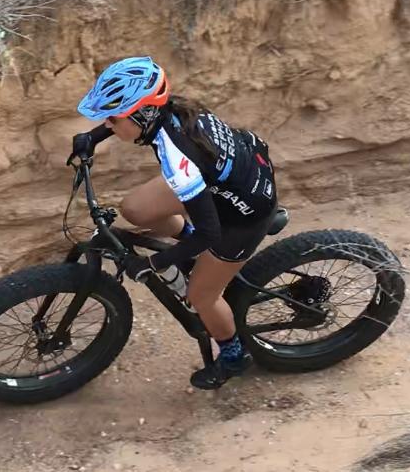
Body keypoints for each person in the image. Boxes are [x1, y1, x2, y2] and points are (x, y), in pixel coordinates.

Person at [70, 56, 279, 389]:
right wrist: (93, 138)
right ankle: (191, 245)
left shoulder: (177, 156)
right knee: (135, 209)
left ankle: (233, 356)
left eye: (112, 120)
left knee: (201, 296)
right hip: (225, 179)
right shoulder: (171, 110)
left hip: (243, 214)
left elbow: (212, 232)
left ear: (141, 114)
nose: (108, 125)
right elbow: (134, 122)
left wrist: (153, 262)